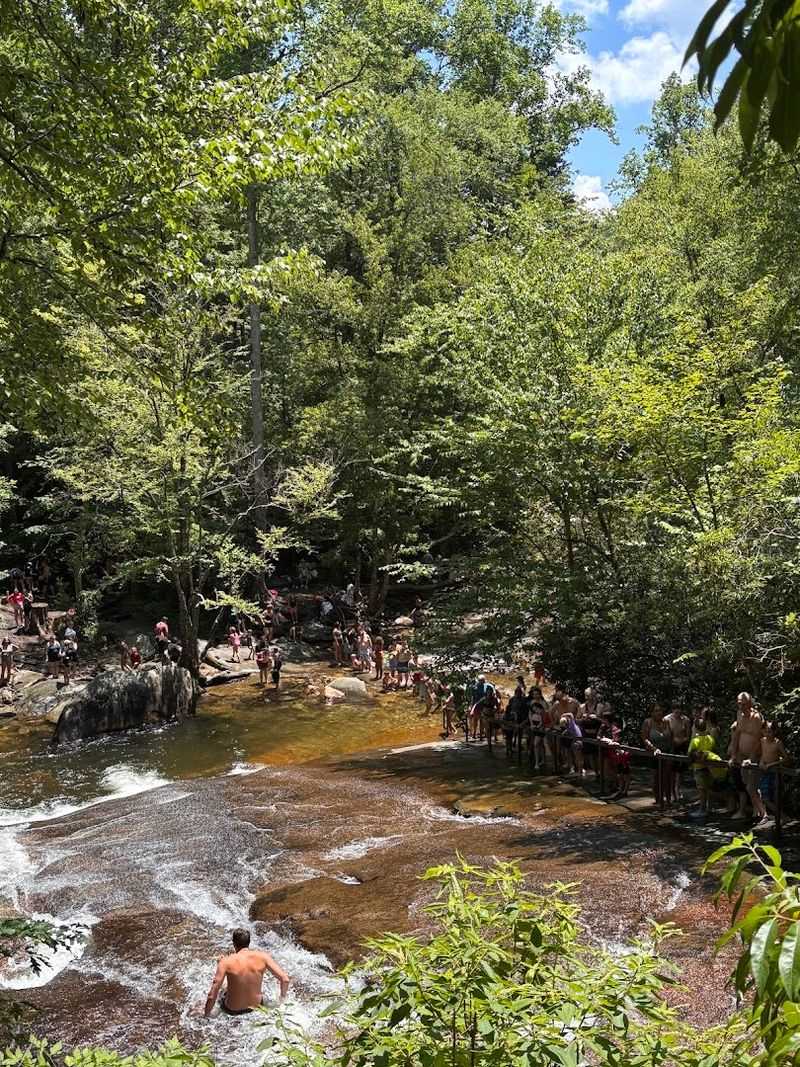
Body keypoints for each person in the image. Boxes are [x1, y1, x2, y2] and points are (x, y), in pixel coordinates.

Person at [204, 928, 290, 1017]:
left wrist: (207, 1015)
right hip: (257, 1006)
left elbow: (212, 994)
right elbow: (285, 980)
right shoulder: (263, 957)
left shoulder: (226, 962)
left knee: (224, 986)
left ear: (234, 943)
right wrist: (281, 1000)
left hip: (231, 1010)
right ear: (249, 942)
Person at [730, 692, 765, 820]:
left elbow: (758, 740)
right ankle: (756, 811)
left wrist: (751, 757)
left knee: (751, 786)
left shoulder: (756, 717)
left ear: (749, 703)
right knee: (747, 785)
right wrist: (734, 754)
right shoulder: (739, 714)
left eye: (744, 704)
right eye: (739, 704)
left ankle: (763, 814)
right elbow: (736, 735)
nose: (741, 706)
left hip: (754, 755)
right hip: (741, 754)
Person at [641, 703, 674, 805]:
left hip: (667, 752)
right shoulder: (648, 722)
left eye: (660, 710)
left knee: (668, 776)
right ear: (651, 713)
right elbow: (645, 738)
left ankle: (668, 799)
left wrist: (672, 750)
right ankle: (658, 798)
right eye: (656, 711)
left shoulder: (667, 722)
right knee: (656, 777)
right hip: (653, 753)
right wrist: (653, 748)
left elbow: (671, 737)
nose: (659, 713)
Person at [758, 721, 789, 825]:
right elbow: (762, 754)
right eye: (765, 731)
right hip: (764, 771)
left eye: (770, 732)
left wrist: (771, 765)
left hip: (774, 772)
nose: (768, 734)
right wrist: (761, 762)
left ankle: (782, 816)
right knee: (764, 797)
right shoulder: (762, 741)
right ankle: (782, 816)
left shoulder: (778, 742)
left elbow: (786, 758)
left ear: (774, 731)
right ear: (762, 731)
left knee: (775, 796)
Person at [665, 703, 692, 803]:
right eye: (675, 709)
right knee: (671, 770)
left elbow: (688, 735)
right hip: (671, 746)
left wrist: (683, 740)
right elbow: (666, 734)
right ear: (672, 710)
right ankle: (672, 792)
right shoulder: (667, 719)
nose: (677, 711)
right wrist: (673, 741)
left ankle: (678, 789)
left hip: (682, 745)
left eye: (679, 709)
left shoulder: (686, 720)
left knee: (680, 771)